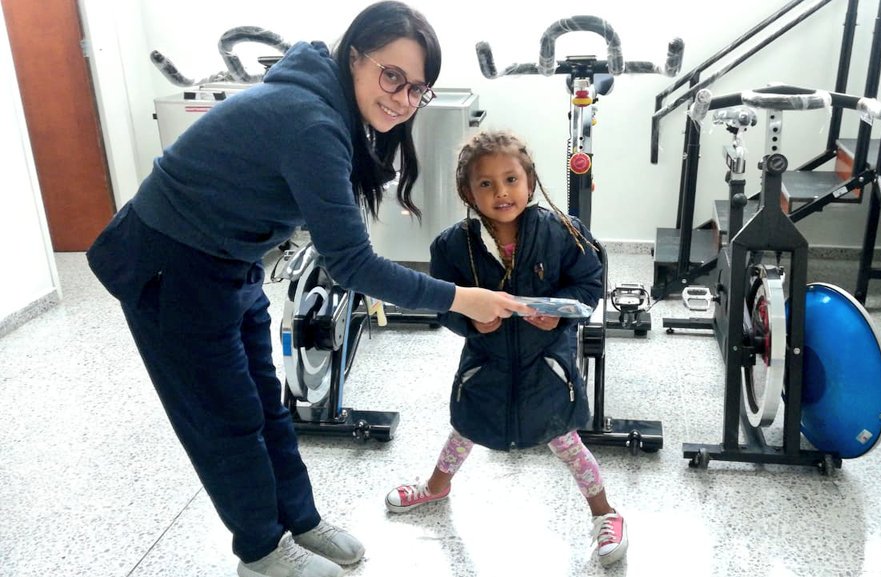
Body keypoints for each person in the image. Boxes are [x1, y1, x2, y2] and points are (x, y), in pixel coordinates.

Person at [85, 3, 532, 577]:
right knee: (226, 419)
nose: (402, 99)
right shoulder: (312, 122)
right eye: (391, 76)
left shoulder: (332, 110)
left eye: (416, 88)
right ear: (354, 56)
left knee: (267, 407)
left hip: (231, 260)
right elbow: (353, 264)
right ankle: (261, 553)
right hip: (173, 265)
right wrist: (463, 297)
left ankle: (300, 522)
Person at [383, 130, 629, 566]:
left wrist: (561, 314)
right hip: (485, 363)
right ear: (467, 192)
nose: (501, 192)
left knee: (567, 442)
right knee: (465, 428)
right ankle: (436, 487)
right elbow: (443, 302)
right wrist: (470, 320)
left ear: (530, 181)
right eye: (486, 183)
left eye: (511, 179)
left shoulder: (562, 233)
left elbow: (588, 284)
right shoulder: (452, 246)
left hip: (547, 367)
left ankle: (605, 514)